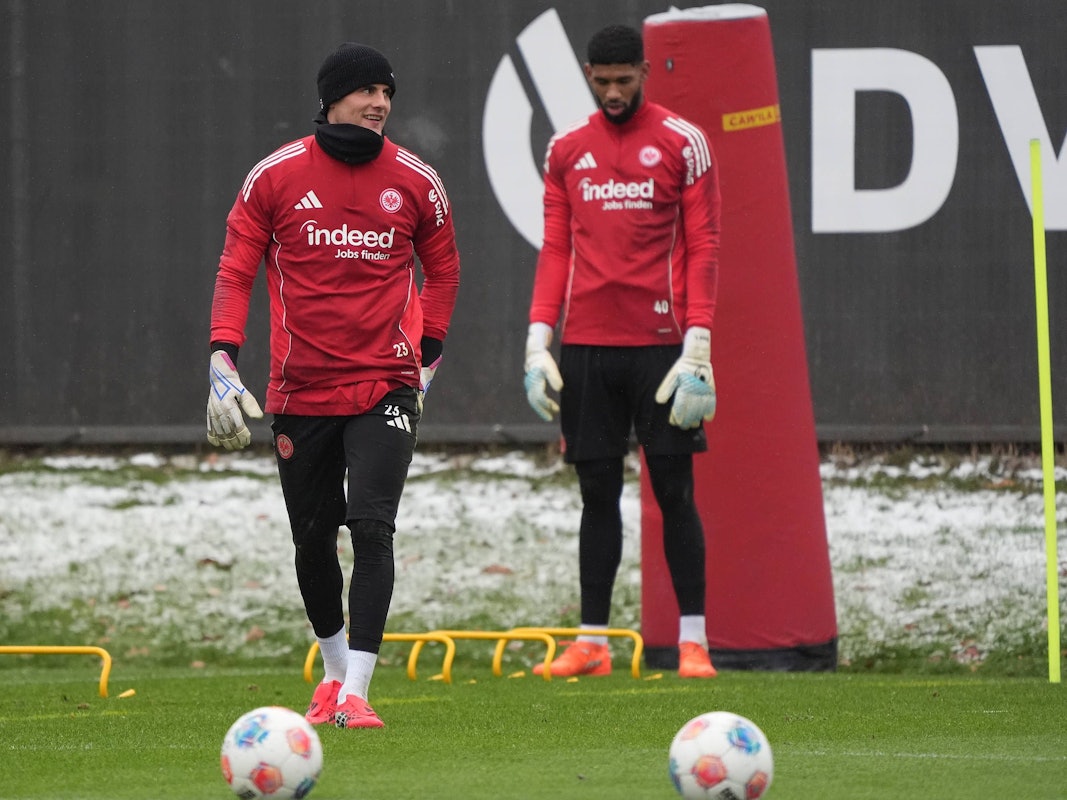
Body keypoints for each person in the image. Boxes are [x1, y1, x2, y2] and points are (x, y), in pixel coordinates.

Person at [206, 42, 460, 727]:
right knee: (312, 539)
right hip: (299, 391)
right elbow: (235, 271)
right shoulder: (274, 176)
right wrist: (221, 360)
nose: (380, 103)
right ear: (330, 98)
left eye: (387, 92)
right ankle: (333, 675)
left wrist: (425, 357)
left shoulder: (416, 180)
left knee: (372, 530)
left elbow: (443, 271)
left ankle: (360, 693)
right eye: (365, 91)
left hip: (384, 385)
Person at [523, 24, 720, 679]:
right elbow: (555, 250)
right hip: (584, 349)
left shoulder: (681, 143)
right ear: (587, 73)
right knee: (595, 493)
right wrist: (536, 340)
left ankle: (693, 641)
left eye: (623, 79)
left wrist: (698, 345)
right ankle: (592, 643)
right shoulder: (565, 149)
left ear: (642, 71)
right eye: (601, 80)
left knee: (673, 490)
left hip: (662, 350)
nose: (612, 92)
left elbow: (704, 247)